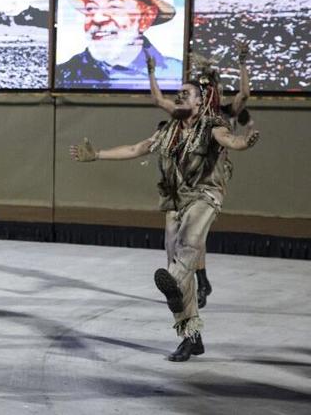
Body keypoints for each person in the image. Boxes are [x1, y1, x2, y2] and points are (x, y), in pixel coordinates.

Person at [70, 80, 259, 362]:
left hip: (205, 196)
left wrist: (245, 141)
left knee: (188, 246)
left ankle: (172, 280)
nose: (180, 97)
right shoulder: (168, 131)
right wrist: (97, 154)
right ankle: (191, 337)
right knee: (178, 269)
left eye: (187, 94)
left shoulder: (211, 126)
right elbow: (135, 149)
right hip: (175, 201)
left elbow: (230, 141)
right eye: (178, 94)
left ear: (199, 102)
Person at [148, 41, 253, 308]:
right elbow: (161, 102)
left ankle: (198, 280)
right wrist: (151, 74)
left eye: (211, 87)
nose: (210, 92)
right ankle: (197, 281)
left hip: (212, 175)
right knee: (188, 236)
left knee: (194, 234)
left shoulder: (223, 114)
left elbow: (245, 94)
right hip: (190, 174)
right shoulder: (191, 115)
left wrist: (242, 63)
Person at [55, 0, 182, 89]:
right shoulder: (63, 76)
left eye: (113, 7)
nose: (98, 18)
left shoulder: (175, 77)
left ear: (146, 18)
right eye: (91, 8)